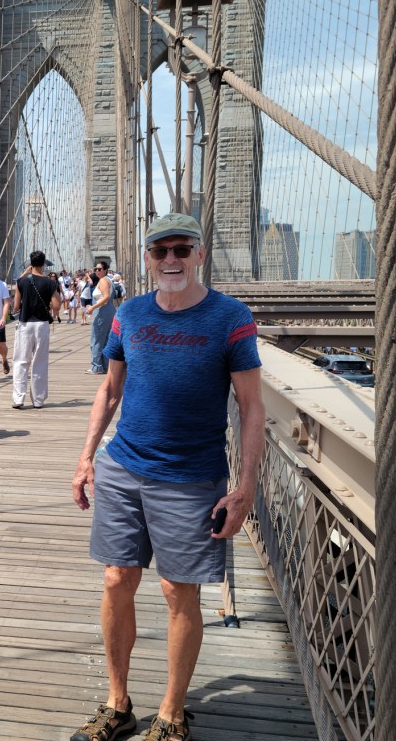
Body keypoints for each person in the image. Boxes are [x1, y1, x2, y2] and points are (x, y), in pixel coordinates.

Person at [69, 213, 265, 741]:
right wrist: (87, 457)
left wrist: (245, 487)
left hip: (191, 478)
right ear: (149, 258)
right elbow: (110, 391)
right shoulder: (128, 314)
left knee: (179, 593)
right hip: (123, 466)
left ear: (200, 254)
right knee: (116, 580)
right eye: (161, 251)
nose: (172, 260)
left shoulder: (231, 318)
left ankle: (172, 712)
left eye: (182, 249)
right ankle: (118, 703)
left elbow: (251, 408)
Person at [11, 250, 60, 409]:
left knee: (21, 362)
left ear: (31, 263)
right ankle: (38, 400)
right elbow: (57, 306)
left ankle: (18, 398)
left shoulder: (21, 281)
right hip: (42, 325)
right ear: (44, 263)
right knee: (40, 362)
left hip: (25, 324)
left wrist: (25, 274)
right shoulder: (50, 283)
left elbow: (16, 306)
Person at [85, 261, 116, 374]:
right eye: (96, 269)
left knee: (96, 340)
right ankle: (105, 366)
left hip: (102, 312)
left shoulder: (103, 281)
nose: (97, 271)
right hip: (109, 312)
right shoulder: (109, 280)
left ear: (105, 270)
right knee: (106, 340)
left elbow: (106, 297)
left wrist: (93, 307)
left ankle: (96, 367)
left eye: (99, 269)